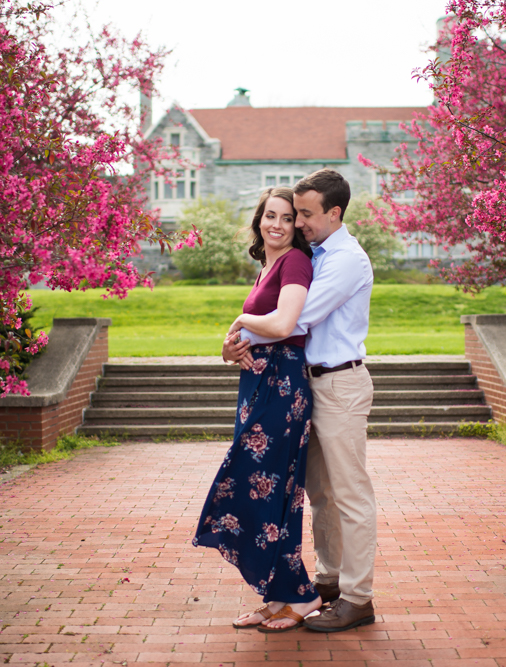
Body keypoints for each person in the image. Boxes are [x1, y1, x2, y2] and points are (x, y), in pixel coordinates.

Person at [225, 169, 377, 633]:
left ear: (334, 213)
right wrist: (237, 343)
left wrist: (238, 326)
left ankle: (358, 598)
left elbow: (297, 319)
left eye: (306, 214)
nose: (299, 223)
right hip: (310, 387)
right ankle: (328, 583)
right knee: (321, 494)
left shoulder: (346, 258)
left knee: (350, 494)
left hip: (341, 385)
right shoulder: (319, 253)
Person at [193, 186, 323, 633]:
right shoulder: (266, 264)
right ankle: (277, 596)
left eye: (287, 219)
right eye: (270, 216)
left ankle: (300, 596)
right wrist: (229, 348)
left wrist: (241, 320)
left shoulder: (295, 262)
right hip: (257, 384)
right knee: (264, 491)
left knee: (263, 489)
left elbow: (284, 325)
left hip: (281, 389)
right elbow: (251, 337)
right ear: (259, 219)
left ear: (296, 226)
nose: (277, 225)